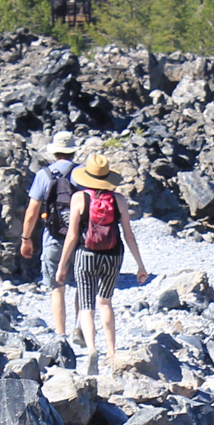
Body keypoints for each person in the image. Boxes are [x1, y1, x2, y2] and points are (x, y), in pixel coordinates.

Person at [56, 153, 148, 375]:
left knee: (87, 306)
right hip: (113, 255)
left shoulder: (79, 198)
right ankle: (112, 350)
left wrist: (62, 264)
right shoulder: (119, 200)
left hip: (86, 255)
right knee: (105, 302)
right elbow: (128, 234)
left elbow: (72, 235)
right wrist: (140, 265)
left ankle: (91, 349)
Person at [20, 130, 83, 342]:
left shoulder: (43, 175)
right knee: (81, 285)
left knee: (57, 288)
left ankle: (60, 335)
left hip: (53, 239)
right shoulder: (83, 174)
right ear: (73, 151)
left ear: (55, 152)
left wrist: (26, 239)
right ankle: (78, 327)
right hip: (82, 239)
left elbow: (31, 212)